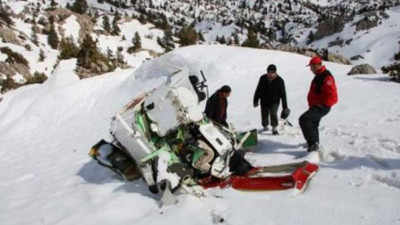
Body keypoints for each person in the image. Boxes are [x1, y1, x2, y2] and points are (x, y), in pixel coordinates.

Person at [299, 56, 338, 152]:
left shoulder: (326, 76)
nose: (310, 69)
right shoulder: (319, 75)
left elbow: (332, 95)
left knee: (305, 119)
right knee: (313, 123)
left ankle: (313, 144)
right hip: (316, 105)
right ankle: (314, 143)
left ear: (318, 65)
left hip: (321, 106)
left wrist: (324, 104)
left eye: (312, 66)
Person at [253, 64, 289, 135]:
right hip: (264, 100)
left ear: (275, 72)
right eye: (268, 72)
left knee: (273, 113)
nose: (270, 74)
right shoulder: (263, 78)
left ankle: (274, 127)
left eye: (272, 73)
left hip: (274, 101)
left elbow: (283, 94)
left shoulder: (280, 81)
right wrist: (255, 100)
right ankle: (265, 126)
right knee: (264, 115)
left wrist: (285, 107)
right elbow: (258, 89)